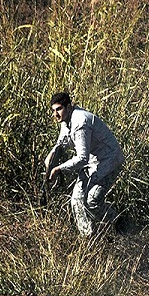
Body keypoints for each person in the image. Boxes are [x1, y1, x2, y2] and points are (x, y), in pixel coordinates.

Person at [45, 92, 125, 237]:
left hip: (109, 161)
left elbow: (82, 158)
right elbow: (62, 142)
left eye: (59, 109)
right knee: (76, 200)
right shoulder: (66, 119)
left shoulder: (80, 122)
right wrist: (52, 154)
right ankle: (88, 237)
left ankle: (120, 224)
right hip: (93, 163)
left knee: (92, 201)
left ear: (68, 107)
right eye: (53, 110)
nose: (55, 114)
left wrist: (58, 168)